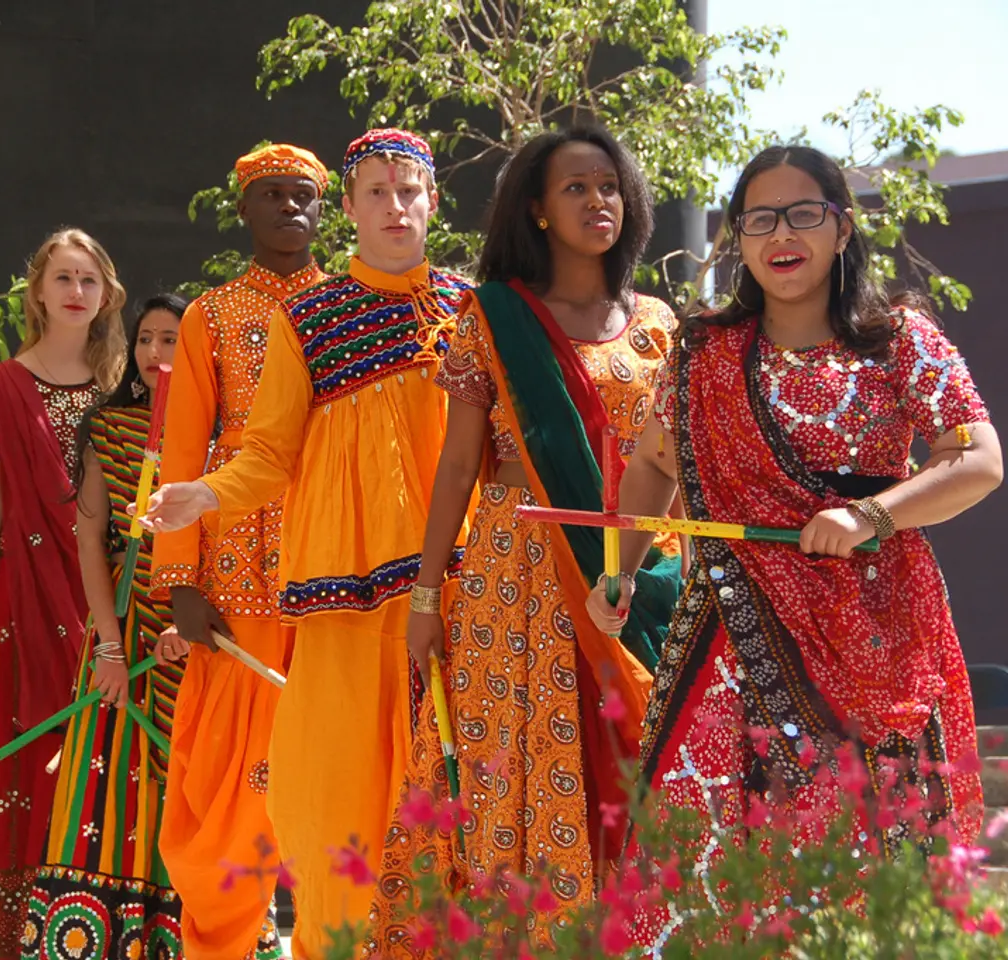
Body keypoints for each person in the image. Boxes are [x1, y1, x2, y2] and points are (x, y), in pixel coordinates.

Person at [585, 144, 1002, 948]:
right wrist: (621, 573)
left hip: (878, 636)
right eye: (759, 218)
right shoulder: (705, 352)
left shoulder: (899, 340)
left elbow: (979, 459)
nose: (783, 233)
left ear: (842, 228)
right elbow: (652, 465)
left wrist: (871, 517)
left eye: (804, 213)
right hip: (731, 632)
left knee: (860, 851)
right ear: (737, 239)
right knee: (693, 843)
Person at [141, 129, 472, 957]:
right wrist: (196, 507)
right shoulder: (300, 318)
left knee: (458, 790)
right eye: (377, 192)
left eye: (409, 190)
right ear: (352, 210)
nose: (395, 206)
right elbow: (263, 453)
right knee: (328, 801)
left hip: (463, 587)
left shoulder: (473, 308)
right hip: (335, 595)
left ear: (432, 200)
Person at [366, 124, 683, 955]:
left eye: (609, 185)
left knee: (642, 756)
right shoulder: (493, 316)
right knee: (514, 767)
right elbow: (459, 466)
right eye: (576, 187)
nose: (597, 200)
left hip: (641, 571)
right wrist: (427, 595)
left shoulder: (657, 324)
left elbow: (681, 463)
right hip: (518, 576)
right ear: (537, 210)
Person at [153, 144, 328, 960]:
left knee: (339, 761)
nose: (290, 209)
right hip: (233, 579)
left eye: (304, 197)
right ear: (245, 210)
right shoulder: (210, 315)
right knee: (225, 783)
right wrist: (180, 578)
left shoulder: (349, 305)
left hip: (336, 566)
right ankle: (219, 945)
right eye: (272, 196)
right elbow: (183, 451)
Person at [0, 228, 128, 960]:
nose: (77, 292)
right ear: (38, 291)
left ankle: (106, 918)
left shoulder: (127, 385)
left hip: (113, 596)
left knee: (111, 753)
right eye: (64, 278)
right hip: (24, 602)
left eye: (89, 279)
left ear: (108, 293)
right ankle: (22, 932)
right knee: (28, 760)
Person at [23, 293, 193, 960]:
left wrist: (192, 620)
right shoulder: (111, 428)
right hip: (121, 635)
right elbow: (91, 541)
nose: (157, 354)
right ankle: (93, 940)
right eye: (147, 339)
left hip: (190, 634)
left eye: (173, 340)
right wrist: (113, 647)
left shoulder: (218, 434)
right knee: (113, 780)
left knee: (187, 785)